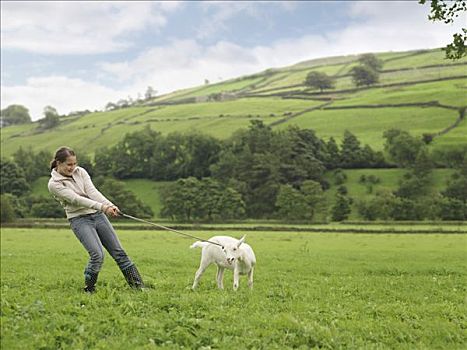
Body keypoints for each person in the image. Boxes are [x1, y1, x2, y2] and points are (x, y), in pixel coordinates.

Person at [48, 146, 145, 293]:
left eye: (74, 163)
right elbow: (77, 200)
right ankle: (89, 289)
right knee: (97, 255)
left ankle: (138, 287)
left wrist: (109, 205)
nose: (72, 167)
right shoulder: (54, 184)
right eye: (69, 164)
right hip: (79, 220)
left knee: (119, 252)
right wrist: (103, 208)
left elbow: (92, 192)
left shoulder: (81, 172)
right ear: (58, 163)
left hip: (98, 216)